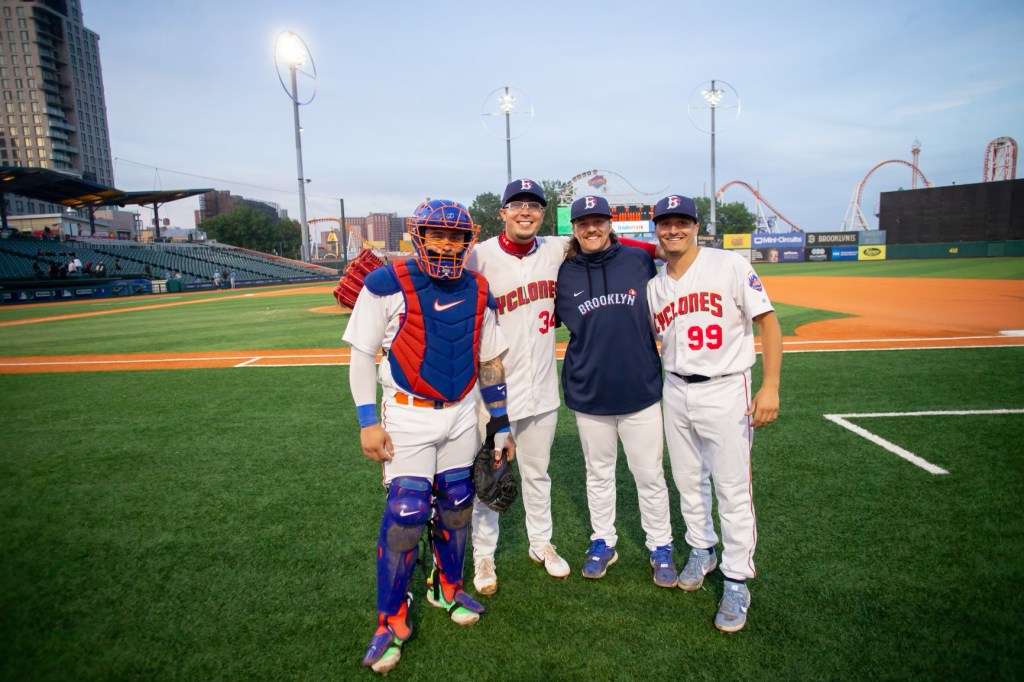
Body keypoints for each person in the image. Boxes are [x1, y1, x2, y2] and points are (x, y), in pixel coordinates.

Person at [343, 199, 516, 675]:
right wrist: (366, 421)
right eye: (437, 234)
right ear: (418, 235)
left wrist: (499, 423)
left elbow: (490, 361)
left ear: (468, 240)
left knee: (458, 502)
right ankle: (390, 619)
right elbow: (361, 355)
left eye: (456, 236)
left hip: (461, 413)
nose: (446, 243)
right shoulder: (386, 283)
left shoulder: (479, 288)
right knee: (406, 512)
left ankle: (449, 586)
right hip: (407, 414)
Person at [646, 194, 782, 633]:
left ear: (695, 226)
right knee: (688, 480)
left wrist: (771, 385)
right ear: (657, 230)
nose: (673, 230)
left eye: (681, 222)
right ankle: (702, 549)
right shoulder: (655, 286)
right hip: (676, 387)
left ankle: (738, 577)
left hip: (727, 388)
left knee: (732, 488)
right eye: (665, 224)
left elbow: (769, 323)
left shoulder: (729, 265)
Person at [553, 195, 678, 588]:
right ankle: (603, 540)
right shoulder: (565, 272)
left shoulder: (638, 261)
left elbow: (671, 253)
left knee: (650, 475)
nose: (592, 228)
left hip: (639, 389)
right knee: (598, 474)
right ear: (574, 228)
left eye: (599, 221)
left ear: (611, 223)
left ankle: (661, 546)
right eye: (584, 222)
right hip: (590, 392)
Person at [466, 179, 571, 594]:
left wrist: (661, 248)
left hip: (543, 389)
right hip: (492, 393)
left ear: (542, 214)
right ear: (503, 212)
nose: (526, 212)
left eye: (534, 206)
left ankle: (541, 543)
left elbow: (599, 239)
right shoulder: (479, 256)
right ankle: (484, 555)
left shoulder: (556, 248)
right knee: (489, 477)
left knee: (537, 473)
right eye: (517, 205)